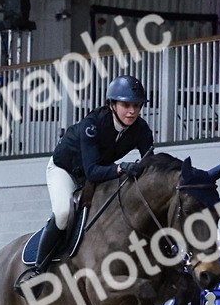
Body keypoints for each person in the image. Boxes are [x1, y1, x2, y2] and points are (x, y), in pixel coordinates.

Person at [19, 74, 155, 286]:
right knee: (63, 213)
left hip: (96, 173)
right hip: (65, 171)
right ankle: (38, 270)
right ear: (111, 104)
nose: (132, 111)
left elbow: (150, 161)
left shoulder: (141, 129)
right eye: (126, 105)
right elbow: (92, 171)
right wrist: (122, 168)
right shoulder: (92, 125)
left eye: (137, 106)